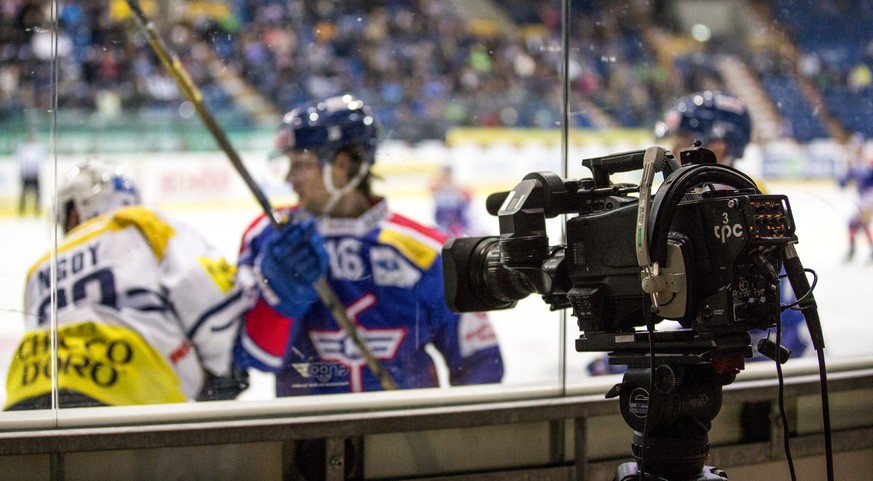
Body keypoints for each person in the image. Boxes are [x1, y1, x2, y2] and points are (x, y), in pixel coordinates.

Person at [234, 95, 504, 396]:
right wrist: (276, 301)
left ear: (343, 163)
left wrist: (454, 437)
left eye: (301, 163)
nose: (288, 178)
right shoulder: (269, 237)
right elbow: (251, 359)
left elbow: (479, 361)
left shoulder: (427, 252)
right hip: (305, 437)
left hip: (401, 435)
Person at [588, 91, 808, 376]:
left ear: (715, 147)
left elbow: (715, 310)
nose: (671, 152)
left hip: (749, 355)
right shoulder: (726, 195)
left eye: (680, 143)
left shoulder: (727, 205)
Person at [5, 160, 249, 410]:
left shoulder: (39, 267)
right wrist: (223, 368)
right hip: (127, 394)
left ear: (76, 210)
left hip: (24, 397)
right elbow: (206, 293)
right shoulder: (143, 223)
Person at [838, 132, 873, 261]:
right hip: (863, 198)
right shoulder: (854, 163)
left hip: (869, 198)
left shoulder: (869, 162)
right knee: (856, 224)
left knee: (858, 222)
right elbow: (844, 181)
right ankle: (857, 249)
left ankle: (853, 249)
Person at [430, 164, 474, 237]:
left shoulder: (458, 186)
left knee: (457, 233)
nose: (446, 175)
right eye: (445, 173)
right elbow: (432, 189)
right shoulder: (438, 186)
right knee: (444, 233)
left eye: (448, 173)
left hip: (455, 215)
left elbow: (466, 200)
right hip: (442, 214)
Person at [15, 131, 47, 216]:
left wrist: (38, 172)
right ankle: (22, 210)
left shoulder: (37, 148)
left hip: (34, 174)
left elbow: (40, 162)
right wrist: (22, 173)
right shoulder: (23, 148)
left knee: (37, 194)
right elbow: (21, 161)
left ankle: (37, 210)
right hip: (26, 174)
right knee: (24, 193)